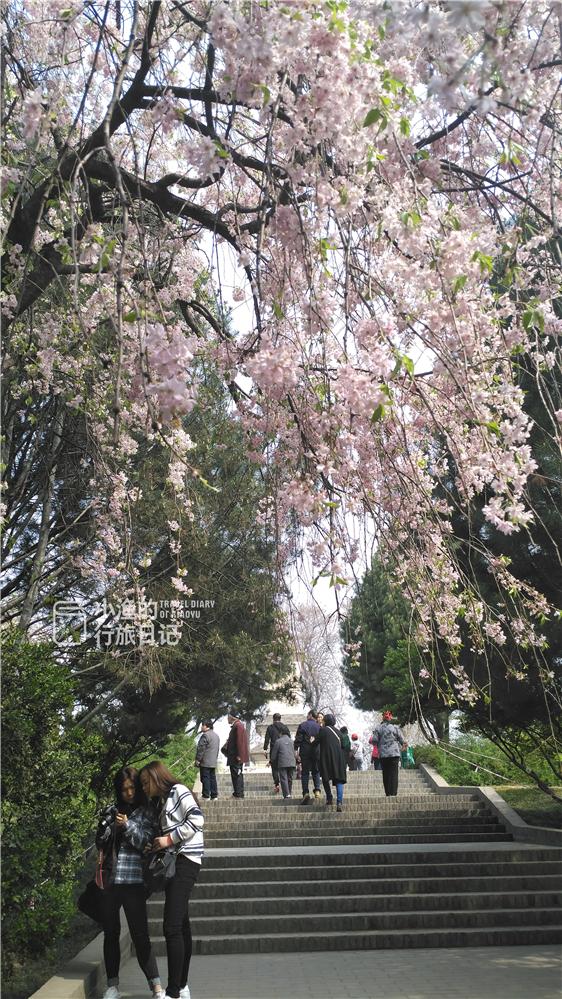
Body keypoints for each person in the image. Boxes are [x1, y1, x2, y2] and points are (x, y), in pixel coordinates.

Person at [96, 766, 164, 999]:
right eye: (124, 789)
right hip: (112, 880)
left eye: (132, 788)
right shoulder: (112, 810)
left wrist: (127, 825)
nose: (128, 793)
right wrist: (109, 827)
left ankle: (156, 986)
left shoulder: (147, 812)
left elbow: (146, 841)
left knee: (140, 934)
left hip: (135, 880)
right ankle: (112, 985)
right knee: (111, 933)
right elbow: (100, 843)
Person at [139, 761, 204, 999]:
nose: (145, 787)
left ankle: (173, 991)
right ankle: (182, 986)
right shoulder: (162, 801)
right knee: (181, 925)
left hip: (186, 860)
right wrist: (157, 842)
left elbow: (197, 820)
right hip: (178, 861)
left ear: (158, 777)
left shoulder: (178, 791)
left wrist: (168, 840)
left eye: (147, 782)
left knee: (172, 926)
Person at [315, 713, 347, 812]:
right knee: (339, 780)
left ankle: (329, 797)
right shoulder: (339, 733)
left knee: (325, 778)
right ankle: (339, 802)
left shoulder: (323, 730)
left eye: (323, 720)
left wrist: (311, 741)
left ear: (326, 721)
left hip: (326, 758)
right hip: (339, 759)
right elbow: (344, 746)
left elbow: (316, 742)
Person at [371, 710, 406, 796]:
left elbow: (374, 741)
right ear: (390, 718)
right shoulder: (395, 728)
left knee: (386, 774)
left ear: (383, 717)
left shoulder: (378, 728)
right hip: (394, 754)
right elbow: (403, 741)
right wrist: (403, 747)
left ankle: (388, 793)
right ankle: (393, 794)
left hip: (383, 755)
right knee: (394, 774)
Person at [294, 709, 322, 803]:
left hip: (305, 752)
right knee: (316, 771)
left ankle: (305, 793)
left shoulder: (303, 725)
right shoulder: (319, 727)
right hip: (316, 752)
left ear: (310, 715)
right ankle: (317, 791)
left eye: (307, 715)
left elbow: (298, 739)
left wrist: (295, 750)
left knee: (305, 772)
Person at [222, 709, 250, 798]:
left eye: (228, 717)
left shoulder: (238, 726)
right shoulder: (238, 725)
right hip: (234, 756)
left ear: (231, 717)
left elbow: (240, 742)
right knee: (236, 774)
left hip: (236, 756)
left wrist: (239, 755)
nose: (227, 719)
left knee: (237, 774)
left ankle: (238, 793)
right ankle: (237, 793)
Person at [263, 712, 290, 793]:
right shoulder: (285, 727)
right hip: (284, 749)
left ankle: (277, 784)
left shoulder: (270, 727)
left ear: (273, 719)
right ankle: (286, 785)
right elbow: (289, 737)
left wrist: (265, 749)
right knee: (284, 767)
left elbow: (267, 739)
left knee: (274, 768)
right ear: (280, 718)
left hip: (274, 749)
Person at [195, 720, 220, 801]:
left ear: (206, 726)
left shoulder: (205, 735)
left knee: (205, 778)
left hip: (205, 761)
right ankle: (214, 795)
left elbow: (201, 749)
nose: (201, 727)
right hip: (213, 761)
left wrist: (198, 759)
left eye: (202, 725)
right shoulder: (216, 736)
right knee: (212, 778)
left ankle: (206, 795)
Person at [269, 730, 297, 799]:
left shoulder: (278, 741)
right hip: (291, 762)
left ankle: (287, 794)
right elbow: (294, 752)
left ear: (281, 733)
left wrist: (271, 761)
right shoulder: (291, 741)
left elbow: (274, 754)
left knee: (284, 778)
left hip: (282, 762)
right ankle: (289, 793)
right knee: (290, 778)